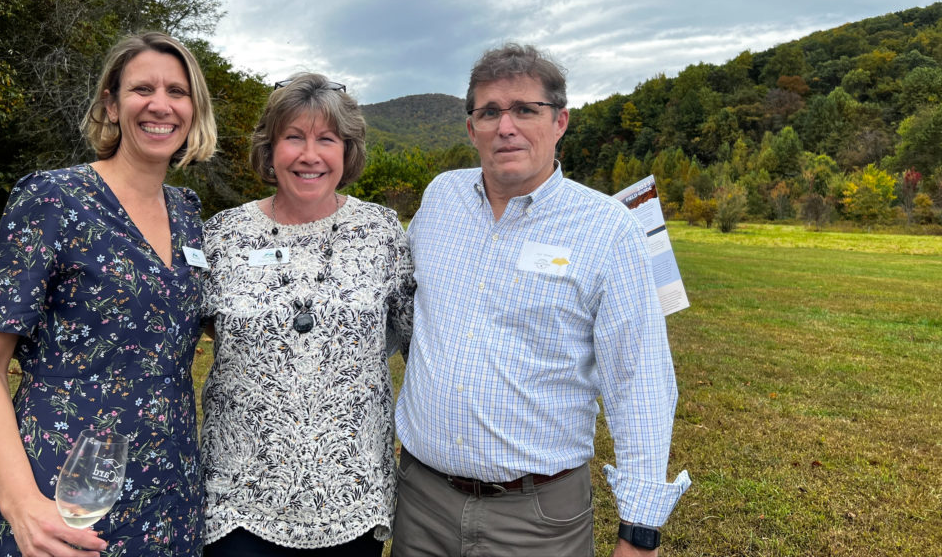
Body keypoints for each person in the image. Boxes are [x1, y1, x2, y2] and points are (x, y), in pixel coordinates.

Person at [392, 44, 690, 557]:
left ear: (560, 122)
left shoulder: (609, 230)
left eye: (526, 109)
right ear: (471, 128)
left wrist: (639, 533)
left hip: (536, 519)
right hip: (421, 503)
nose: (506, 126)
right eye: (489, 112)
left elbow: (639, 379)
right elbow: (404, 309)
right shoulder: (441, 198)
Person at [0, 32, 218, 557]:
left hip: (170, 484)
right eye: (142, 88)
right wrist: (20, 504)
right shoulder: (53, 197)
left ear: (195, 109)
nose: (161, 104)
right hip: (65, 485)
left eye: (178, 91)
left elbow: (191, 318)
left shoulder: (188, 212)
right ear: (111, 104)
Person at [199, 73, 414, 556]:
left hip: (351, 496)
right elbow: (167, 324)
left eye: (326, 139)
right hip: (239, 499)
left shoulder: (381, 231)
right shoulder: (221, 236)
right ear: (270, 149)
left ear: (347, 151)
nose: (309, 155)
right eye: (293, 137)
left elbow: (420, 334)